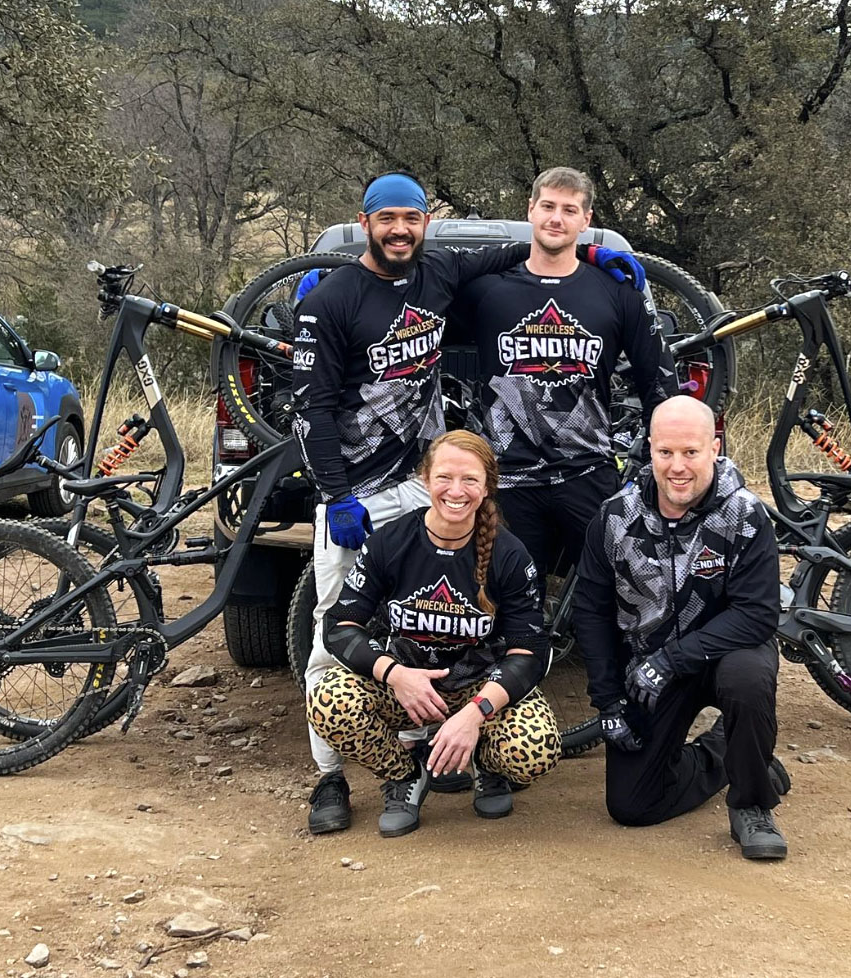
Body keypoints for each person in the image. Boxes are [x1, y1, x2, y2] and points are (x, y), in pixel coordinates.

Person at [292, 169, 644, 835]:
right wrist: (335, 495)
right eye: (387, 217)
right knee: (329, 633)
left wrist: (596, 253)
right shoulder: (335, 300)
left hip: (430, 481)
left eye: (411, 217)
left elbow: (523, 251)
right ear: (366, 222)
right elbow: (310, 408)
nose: (400, 228)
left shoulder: (441, 273)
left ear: (425, 222)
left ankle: (471, 746)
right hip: (359, 492)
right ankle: (330, 778)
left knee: (470, 605)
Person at [307, 430, 560, 837]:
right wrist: (394, 674)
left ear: (487, 487)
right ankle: (406, 775)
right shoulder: (390, 541)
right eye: (444, 477)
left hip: (479, 689)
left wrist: (477, 713)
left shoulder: (509, 554)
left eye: (470, 480)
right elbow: (339, 625)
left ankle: (485, 765)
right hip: (408, 687)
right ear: (425, 480)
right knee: (329, 701)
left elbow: (529, 650)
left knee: (535, 748)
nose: (455, 491)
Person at [573, 395, 790, 860]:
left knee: (749, 679)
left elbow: (757, 615)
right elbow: (590, 611)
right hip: (648, 669)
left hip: (721, 656)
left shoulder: (747, 515)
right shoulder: (614, 517)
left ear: (714, 448)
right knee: (631, 805)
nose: (677, 466)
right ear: (648, 448)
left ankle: (752, 804)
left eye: (690, 452)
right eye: (665, 452)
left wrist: (672, 659)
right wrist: (608, 700)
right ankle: (727, 754)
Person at [453, 166, 678, 585]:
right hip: (508, 477)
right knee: (506, 597)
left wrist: (654, 463)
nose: (557, 218)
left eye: (569, 210)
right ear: (531, 210)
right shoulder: (487, 290)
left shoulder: (616, 289)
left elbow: (659, 382)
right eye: (549, 207)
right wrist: (341, 282)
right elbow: (413, 296)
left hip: (589, 473)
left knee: (612, 592)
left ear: (585, 220)